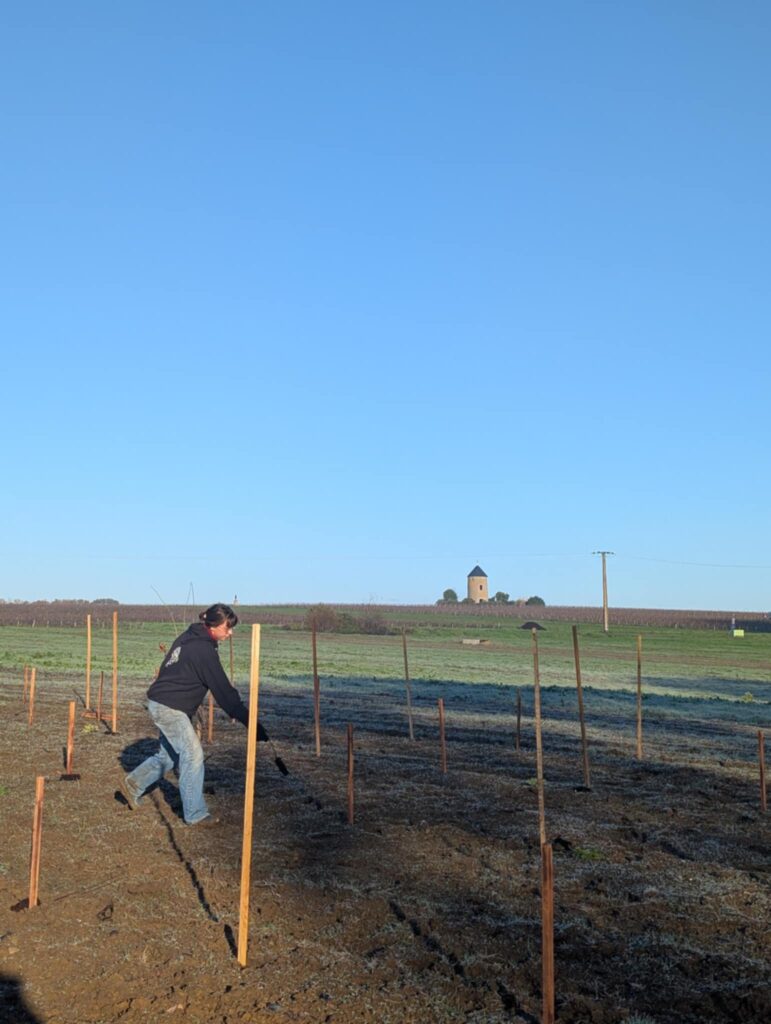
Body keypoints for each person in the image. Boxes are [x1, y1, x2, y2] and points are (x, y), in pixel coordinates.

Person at [119, 603, 265, 825]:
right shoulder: (202, 649)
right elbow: (223, 691)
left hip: (164, 702)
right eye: (228, 627)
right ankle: (195, 814)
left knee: (170, 756)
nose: (231, 632)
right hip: (168, 707)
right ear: (214, 626)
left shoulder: (192, 636)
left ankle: (132, 786)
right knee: (193, 753)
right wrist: (250, 721)